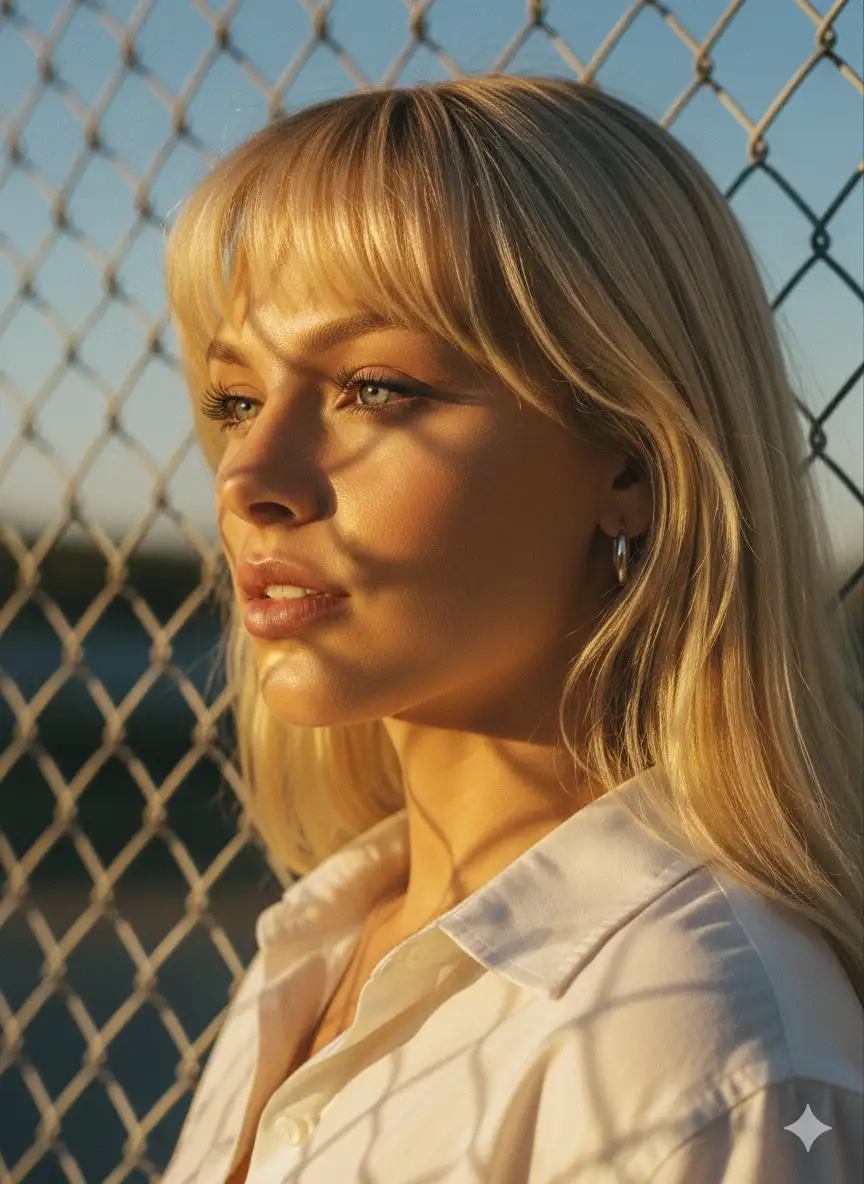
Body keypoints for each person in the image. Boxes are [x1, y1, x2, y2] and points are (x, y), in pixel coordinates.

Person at [160, 75, 863, 1183]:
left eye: (376, 387)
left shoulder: (694, 1040)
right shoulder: (318, 947)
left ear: (629, 458)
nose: (252, 476)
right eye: (235, 401)